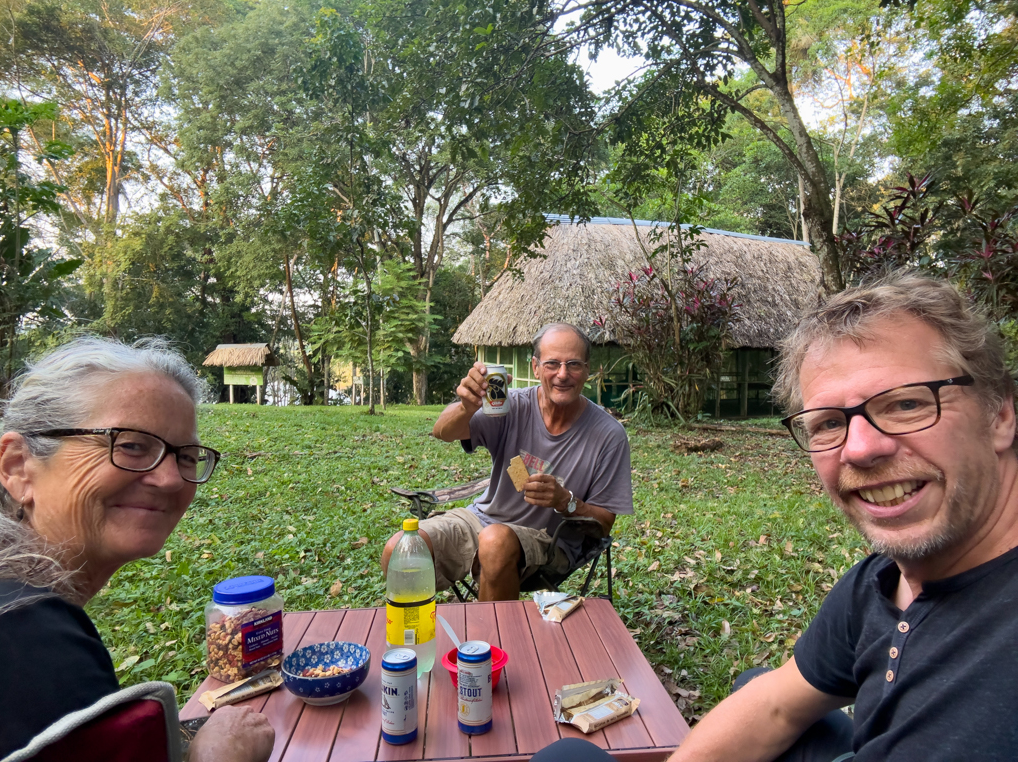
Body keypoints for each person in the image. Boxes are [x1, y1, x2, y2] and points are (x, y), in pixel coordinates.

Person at [666, 273, 1018, 762]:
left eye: (906, 403)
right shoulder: (882, 581)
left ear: (1000, 414)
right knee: (761, 685)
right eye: (830, 422)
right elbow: (775, 707)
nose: (860, 449)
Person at [0, 337, 275, 761]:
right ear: (18, 467)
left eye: (185, 455)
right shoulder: (24, 635)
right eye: (130, 445)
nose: (172, 481)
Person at [383, 323, 633, 601]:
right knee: (400, 548)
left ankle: (495, 643)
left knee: (495, 542)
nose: (563, 374)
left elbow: (604, 524)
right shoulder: (507, 405)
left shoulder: (609, 435)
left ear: (588, 369)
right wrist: (466, 407)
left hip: (548, 542)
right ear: (536, 367)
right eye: (552, 364)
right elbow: (443, 432)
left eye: (573, 364)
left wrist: (565, 501)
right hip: (481, 519)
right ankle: (415, 639)